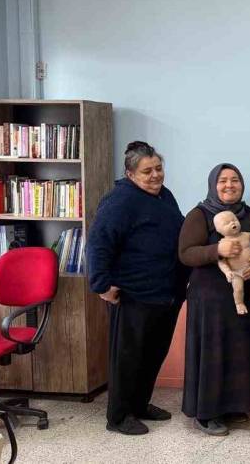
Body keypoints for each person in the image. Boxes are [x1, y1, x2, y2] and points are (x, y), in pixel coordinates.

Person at [87, 142, 188, 435]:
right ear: (130, 174)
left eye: (158, 168)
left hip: (165, 294)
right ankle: (119, 416)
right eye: (147, 171)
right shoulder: (120, 201)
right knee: (128, 358)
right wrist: (101, 285)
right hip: (133, 295)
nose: (156, 175)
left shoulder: (164, 195)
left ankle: (140, 405)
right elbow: (98, 243)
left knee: (153, 354)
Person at [179, 163, 250, 436]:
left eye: (235, 180)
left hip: (242, 296)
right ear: (212, 185)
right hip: (210, 298)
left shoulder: (247, 214)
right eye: (223, 181)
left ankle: (234, 406)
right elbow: (185, 253)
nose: (230, 185)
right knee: (213, 353)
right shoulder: (200, 214)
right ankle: (207, 413)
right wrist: (217, 249)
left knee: (238, 351)